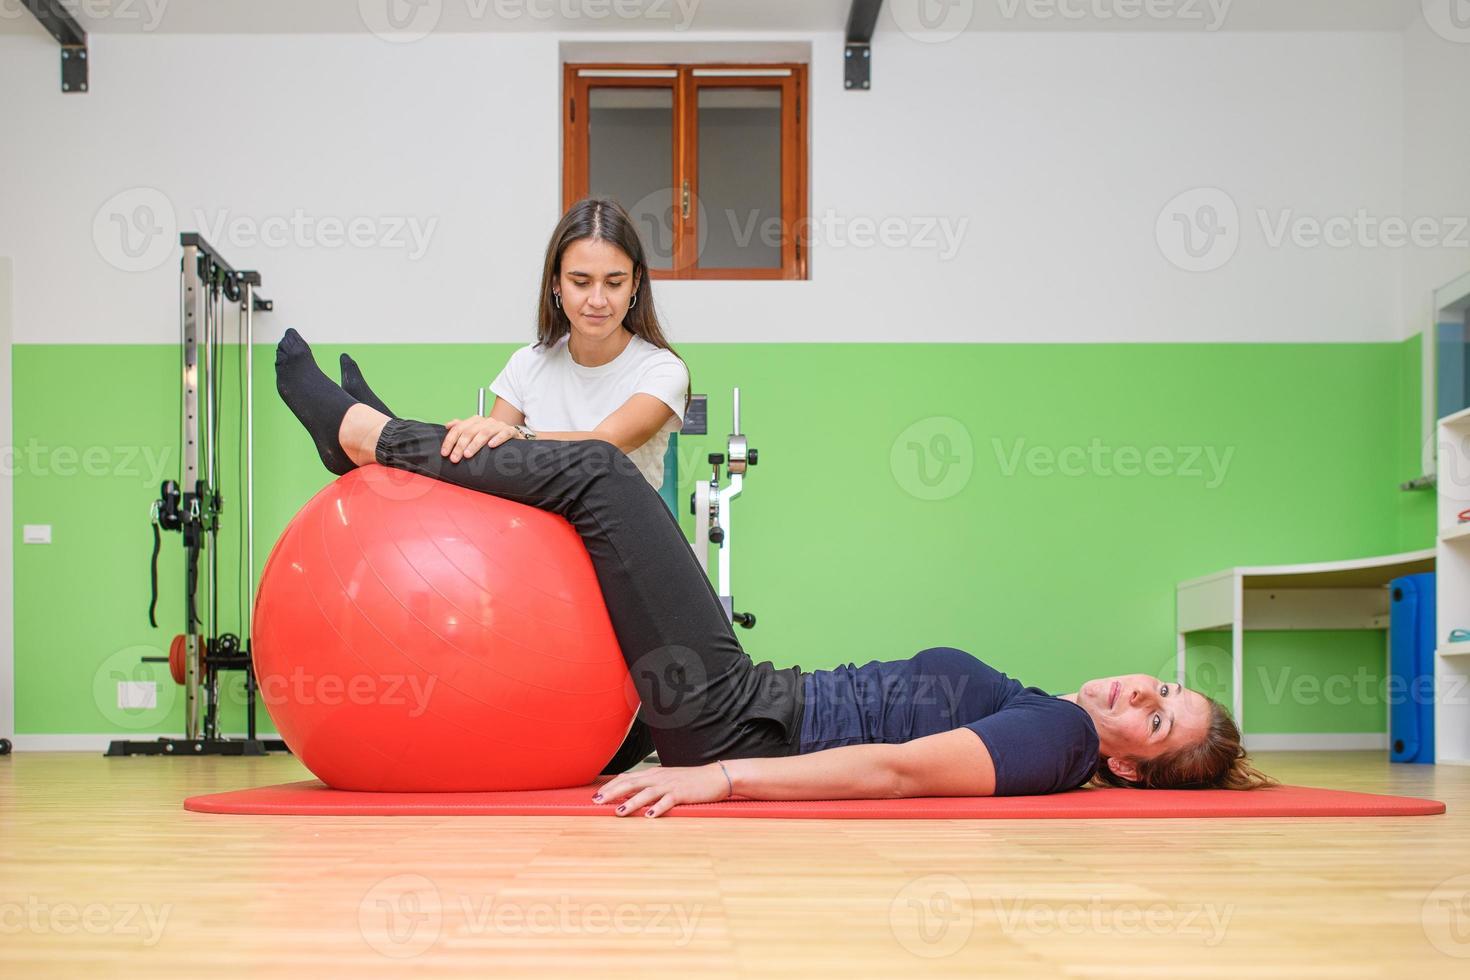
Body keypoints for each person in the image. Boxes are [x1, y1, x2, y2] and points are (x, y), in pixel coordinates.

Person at [275, 329, 1275, 817]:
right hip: (743, 699)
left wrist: (718, 774)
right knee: (592, 506)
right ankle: (380, 441)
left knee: (595, 474)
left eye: (1155, 719)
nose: (1146, 690)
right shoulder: (1044, 711)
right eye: (1169, 687)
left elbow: (896, 771)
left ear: (1132, 764)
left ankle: (361, 435)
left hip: (736, 717)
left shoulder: (1057, 739)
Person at [339, 197, 690, 492]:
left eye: (613, 283)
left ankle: (379, 433)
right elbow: (487, 465)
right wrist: (492, 435)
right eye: (581, 282)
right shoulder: (528, 364)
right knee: (475, 454)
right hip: (535, 541)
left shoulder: (661, 371)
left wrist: (518, 434)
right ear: (556, 283)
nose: (597, 300)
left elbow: (604, 445)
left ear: (635, 283)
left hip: (622, 541)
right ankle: (382, 433)